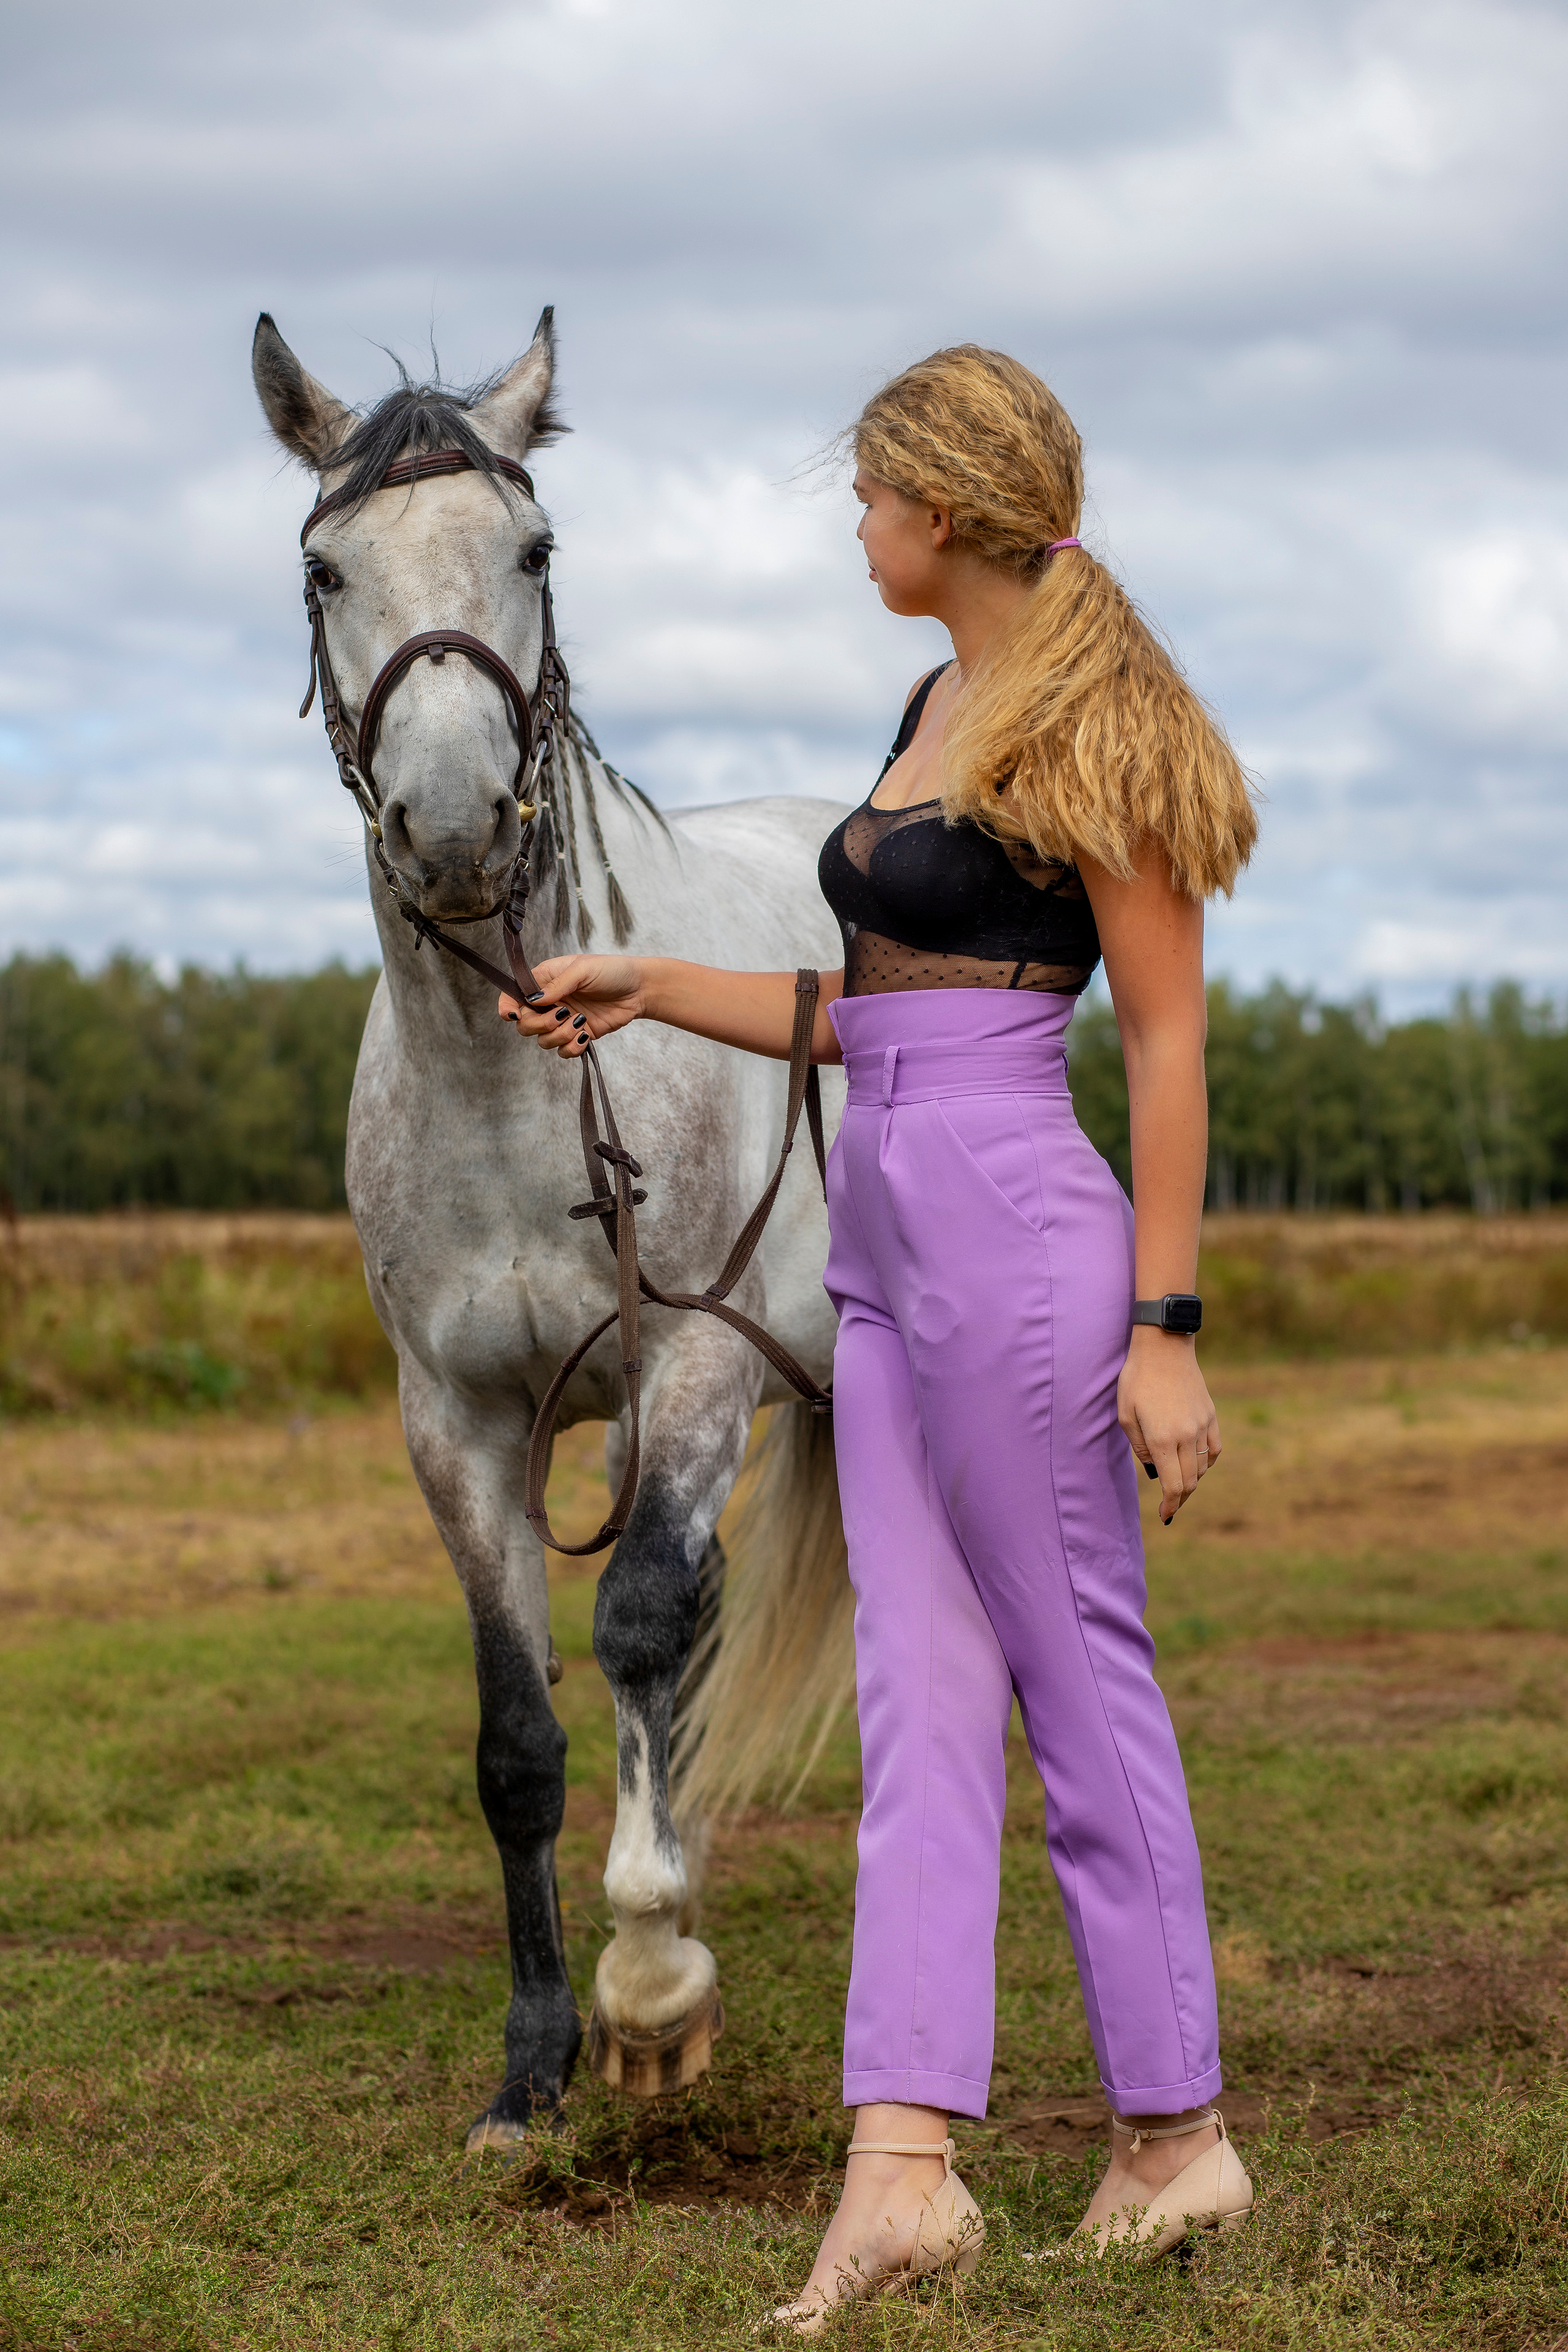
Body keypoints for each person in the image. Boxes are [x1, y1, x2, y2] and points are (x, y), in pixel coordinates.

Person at [500, 345, 1259, 2328]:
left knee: (1081, 1685)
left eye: (870, 497)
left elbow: (1165, 1035)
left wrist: (1165, 1325)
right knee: (919, 1706)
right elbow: (872, 1014)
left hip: (1018, 1228)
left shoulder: (1100, 713)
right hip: (884, 1218)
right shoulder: (933, 701)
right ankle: (903, 2167)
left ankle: (1177, 2136)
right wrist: (655, 981)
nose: (857, 527)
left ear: (943, 501)